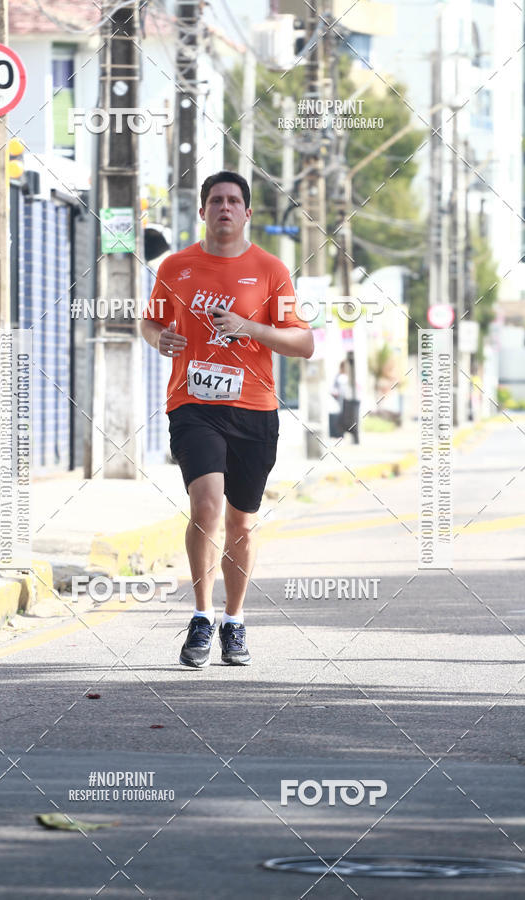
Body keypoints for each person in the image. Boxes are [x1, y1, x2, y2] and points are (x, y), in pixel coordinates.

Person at [142, 172, 313, 668]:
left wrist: (250, 327)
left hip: (255, 409)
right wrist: (159, 339)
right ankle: (200, 615)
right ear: (202, 211)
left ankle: (233, 623)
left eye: (233, 201)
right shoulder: (176, 266)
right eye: (215, 200)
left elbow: (302, 343)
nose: (224, 207)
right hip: (193, 406)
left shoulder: (269, 270)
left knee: (241, 519)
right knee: (207, 504)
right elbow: (151, 319)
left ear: (247, 213)